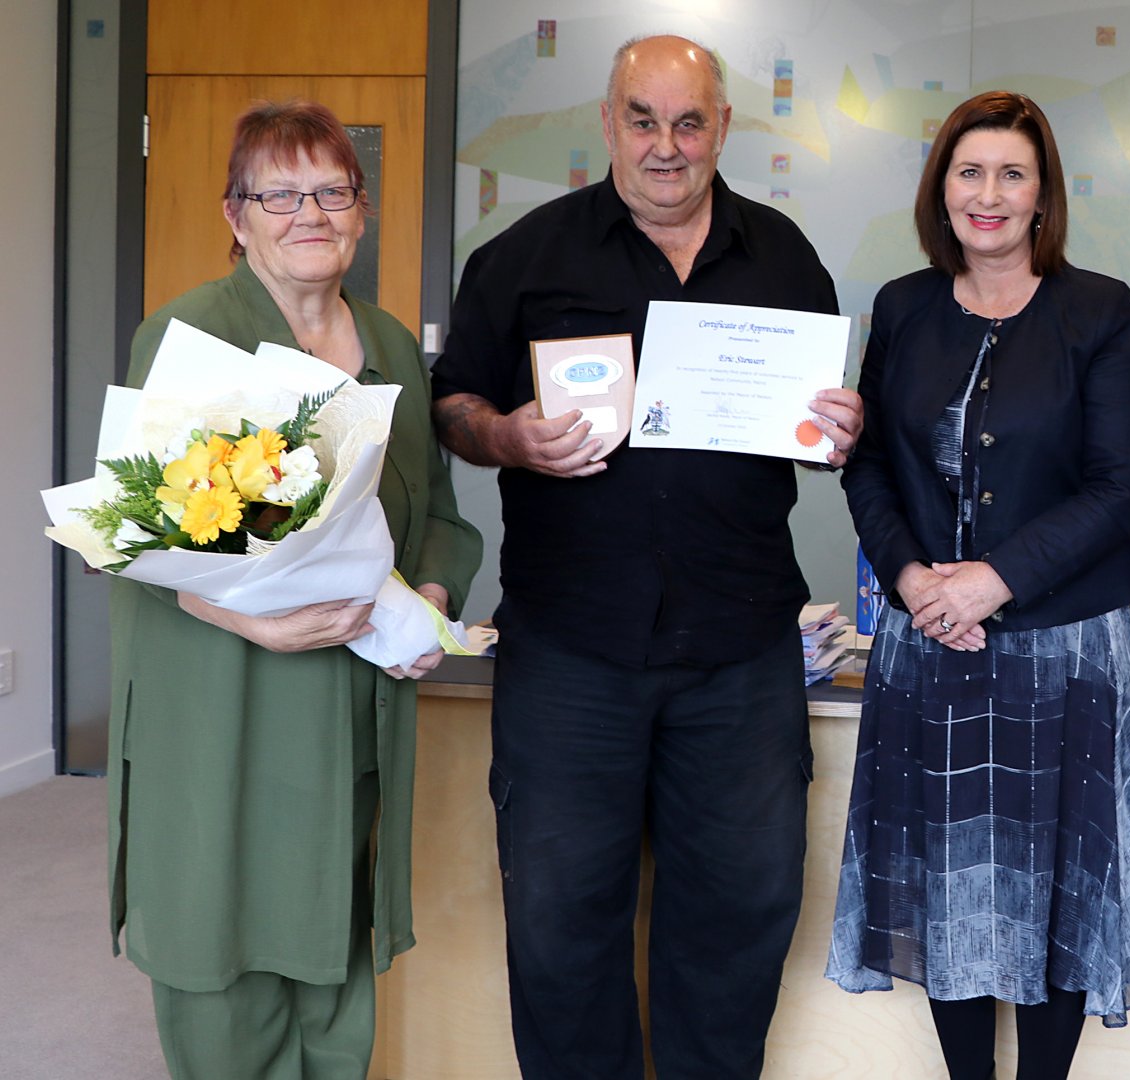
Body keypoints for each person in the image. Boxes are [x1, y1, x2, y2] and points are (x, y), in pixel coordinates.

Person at [428, 35, 862, 1079]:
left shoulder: (784, 256)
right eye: (642, 119)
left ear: (723, 127)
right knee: (560, 918)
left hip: (740, 645)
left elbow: (803, 427)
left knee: (743, 907)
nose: (665, 146)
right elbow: (455, 406)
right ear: (608, 121)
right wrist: (507, 437)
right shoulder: (526, 255)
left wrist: (839, 428)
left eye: (688, 121)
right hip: (572, 648)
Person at [107, 99, 482, 1079]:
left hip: (354, 698)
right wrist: (248, 621)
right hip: (226, 699)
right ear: (238, 216)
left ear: (361, 212)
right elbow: (130, 532)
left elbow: (439, 510)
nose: (309, 212)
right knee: (223, 956)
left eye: (331, 190)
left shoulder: (395, 345)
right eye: (280, 193)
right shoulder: (188, 334)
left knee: (334, 952)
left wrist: (433, 594)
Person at [825, 91, 1130, 1078]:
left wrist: (994, 581)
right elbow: (871, 464)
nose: (989, 193)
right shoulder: (902, 307)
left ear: (1043, 195)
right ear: (942, 190)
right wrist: (912, 578)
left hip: (1064, 652)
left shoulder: (1099, 309)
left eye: (1012, 173)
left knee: (1055, 893)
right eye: (969, 171)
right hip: (927, 646)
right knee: (951, 886)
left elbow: (1119, 486)